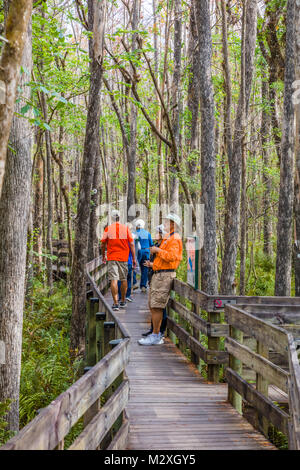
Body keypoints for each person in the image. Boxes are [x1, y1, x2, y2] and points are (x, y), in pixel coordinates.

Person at [138, 213, 183, 345]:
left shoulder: (175, 238)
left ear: (173, 224)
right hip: (158, 274)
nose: (164, 223)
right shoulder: (167, 238)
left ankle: (156, 335)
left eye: (167, 222)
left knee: (157, 306)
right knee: (153, 304)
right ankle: (155, 334)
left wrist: (157, 251)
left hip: (165, 275)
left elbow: (172, 257)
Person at [101, 210, 137, 311]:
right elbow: (132, 244)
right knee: (123, 279)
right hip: (124, 258)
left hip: (112, 257)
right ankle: (123, 301)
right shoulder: (125, 229)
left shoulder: (108, 229)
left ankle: (115, 303)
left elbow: (103, 243)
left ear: (112, 218)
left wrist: (103, 255)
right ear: (119, 218)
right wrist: (134, 258)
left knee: (114, 280)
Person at [142, 224, 167, 338]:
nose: (155, 234)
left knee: (160, 307)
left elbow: (163, 263)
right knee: (152, 305)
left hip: (161, 279)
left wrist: (151, 264)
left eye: (157, 232)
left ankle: (159, 331)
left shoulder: (163, 247)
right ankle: (153, 329)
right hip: (153, 277)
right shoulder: (156, 245)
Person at [134, 219, 153, 292]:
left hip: (137, 251)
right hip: (146, 251)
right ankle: (143, 286)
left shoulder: (134, 233)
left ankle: (134, 282)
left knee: (134, 266)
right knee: (145, 268)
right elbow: (151, 244)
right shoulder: (147, 233)